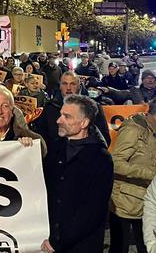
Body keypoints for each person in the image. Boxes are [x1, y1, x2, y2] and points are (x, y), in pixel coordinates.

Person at [41, 94, 113, 253]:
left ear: (84, 122)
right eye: (61, 114)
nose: (59, 120)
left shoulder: (101, 159)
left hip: (81, 246)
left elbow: (92, 212)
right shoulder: (56, 149)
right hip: (50, 241)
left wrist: (58, 241)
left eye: (67, 116)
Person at [109, 97, 156, 253]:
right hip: (123, 203)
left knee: (147, 246)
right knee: (120, 247)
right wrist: (153, 174)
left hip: (144, 202)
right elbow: (116, 163)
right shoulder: (134, 130)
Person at [32, 71, 110, 150]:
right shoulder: (50, 108)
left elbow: (104, 139)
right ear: (60, 86)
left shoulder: (93, 108)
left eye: (72, 84)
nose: (68, 88)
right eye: (65, 84)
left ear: (79, 86)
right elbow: (40, 137)